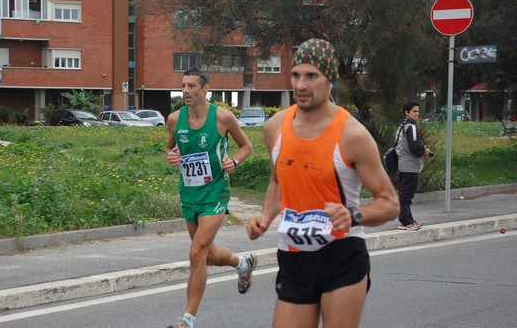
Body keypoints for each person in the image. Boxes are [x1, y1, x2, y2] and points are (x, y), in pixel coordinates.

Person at [246, 38, 399, 328]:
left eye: (312, 76)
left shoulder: (352, 135)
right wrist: (265, 217)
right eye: (296, 75)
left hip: (341, 255)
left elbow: (390, 203)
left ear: (330, 81)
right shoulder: (274, 127)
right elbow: (278, 180)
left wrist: (353, 214)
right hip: (293, 256)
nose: (301, 85)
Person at [166, 67, 256, 328]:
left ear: (206, 89)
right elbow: (170, 149)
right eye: (183, 86)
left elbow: (246, 146)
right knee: (205, 255)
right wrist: (171, 157)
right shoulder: (174, 119)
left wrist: (234, 163)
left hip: (216, 192)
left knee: (196, 252)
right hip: (189, 193)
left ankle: (187, 321)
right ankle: (243, 263)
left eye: (192, 86)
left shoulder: (223, 118)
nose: (185, 91)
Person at [395, 101, 432, 231]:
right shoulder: (411, 127)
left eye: (418, 111)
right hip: (409, 166)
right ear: (406, 112)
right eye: (414, 111)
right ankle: (405, 221)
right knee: (406, 195)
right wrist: (425, 151)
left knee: (406, 194)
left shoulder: (402, 125)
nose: (417, 113)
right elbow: (415, 148)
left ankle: (409, 218)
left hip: (403, 165)